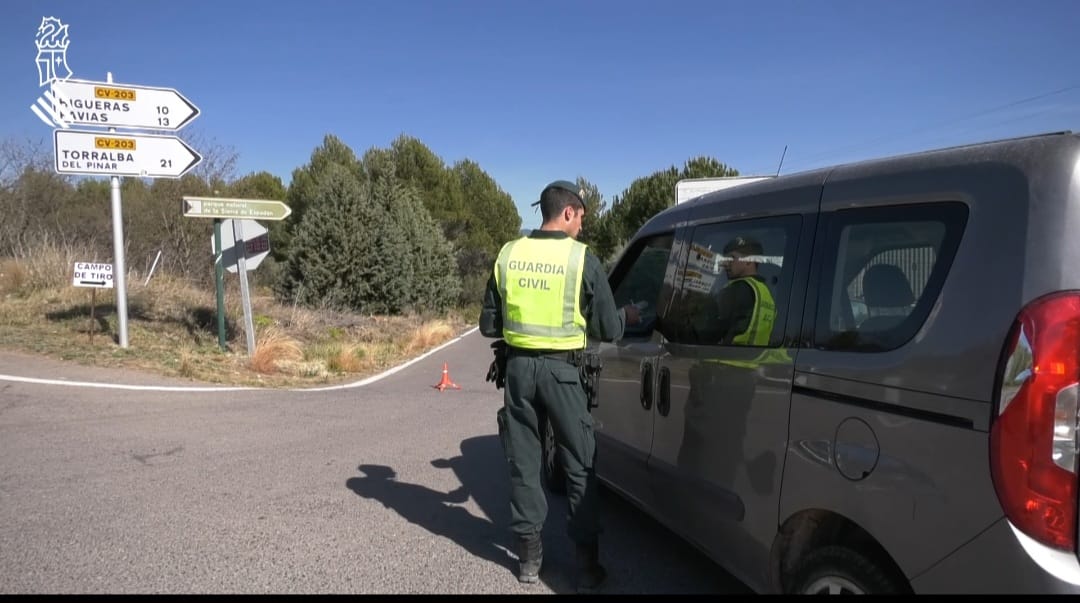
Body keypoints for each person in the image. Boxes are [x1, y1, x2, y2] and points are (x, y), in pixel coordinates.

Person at [479, 179, 640, 592]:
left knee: (524, 461)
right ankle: (586, 567)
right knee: (579, 463)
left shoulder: (508, 253)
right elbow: (607, 326)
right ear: (567, 212)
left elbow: (488, 325)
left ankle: (529, 562)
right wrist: (630, 318)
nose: (582, 227)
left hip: (517, 373)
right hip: (564, 374)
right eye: (581, 218)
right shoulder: (580, 258)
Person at [715, 236, 776, 346]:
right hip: (756, 361)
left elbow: (703, 332)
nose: (725, 264)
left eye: (731, 258)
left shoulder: (736, 290)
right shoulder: (766, 293)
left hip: (727, 360)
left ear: (749, 260)